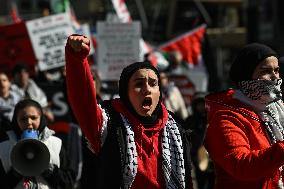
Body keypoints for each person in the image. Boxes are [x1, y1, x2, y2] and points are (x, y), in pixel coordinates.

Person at [65, 35, 193, 189]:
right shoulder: (109, 123)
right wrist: (77, 59)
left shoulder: (175, 129)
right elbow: (82, 101)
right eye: (139, 84)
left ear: (159, 92)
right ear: (126, 93)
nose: (147, 89)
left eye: (153, 84)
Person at [204, 43, 284, 189]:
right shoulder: (226, 118)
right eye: (265, 71)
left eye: (277, 70)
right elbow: (241, 166)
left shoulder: (277, 110)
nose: (274, 77)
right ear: (247, 75)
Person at [0, 99, 75, 188]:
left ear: (41, 118)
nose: (29, 122)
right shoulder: (3, 147)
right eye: (23, 119)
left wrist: (51, 172)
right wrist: (15, 174)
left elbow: (69, 182)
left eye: (34, 118)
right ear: (16, 121)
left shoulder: (56, 144)